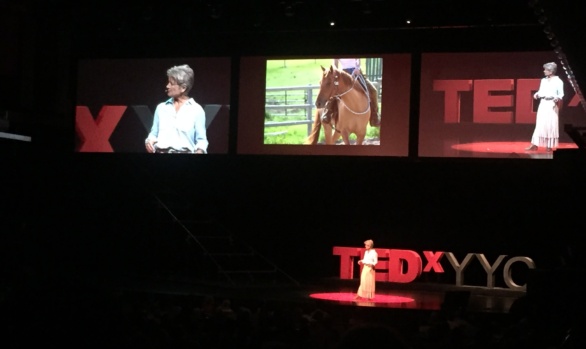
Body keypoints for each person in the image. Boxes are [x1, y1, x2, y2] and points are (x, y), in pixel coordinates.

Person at [145, 64, 208, 154]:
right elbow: (153, 134)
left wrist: (199, 152)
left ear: (183, 88)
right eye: (168, 82)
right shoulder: (161, 108)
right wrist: (149, 141)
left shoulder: (197, 110)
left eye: (171, 83)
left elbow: (201, 141)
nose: (167, 86)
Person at [322, 58, 381, 127]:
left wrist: (357, 68)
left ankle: (374, 116)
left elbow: (358, 60)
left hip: (356, 72)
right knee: (334, 90)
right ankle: (328, 112)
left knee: (373, 91)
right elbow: (334, 64)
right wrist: (337, 72)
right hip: (343, 74)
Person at [525, 62, 564, 152]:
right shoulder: (543, 80)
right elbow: (541, 91)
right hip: (543, 103)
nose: (544, 71)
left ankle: (549, 146)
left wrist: (557, 98)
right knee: (540, 123)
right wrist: (537, 94)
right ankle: (534, 144)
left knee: (550, 124)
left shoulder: (558, 81)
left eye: (546, 70)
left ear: (551, 71)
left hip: (551, 104)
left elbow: (561, 94)